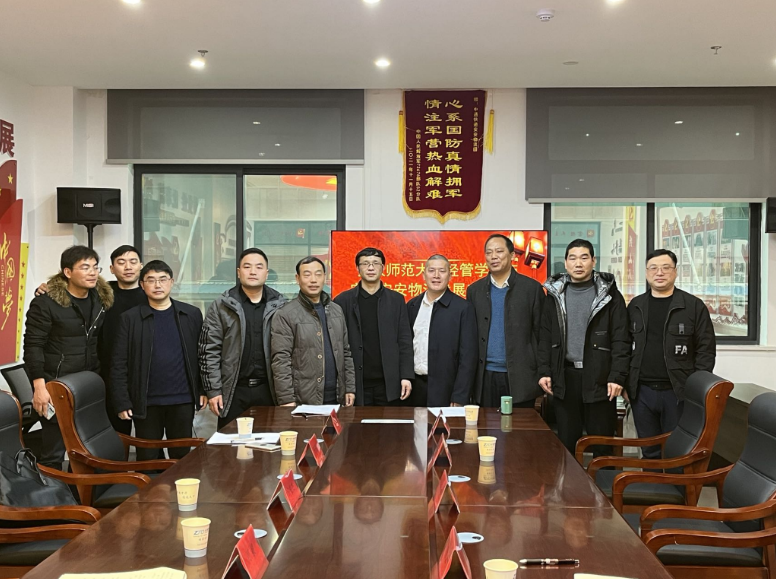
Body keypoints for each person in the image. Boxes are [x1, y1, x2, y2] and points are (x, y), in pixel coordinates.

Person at [23, 245, 113, 469]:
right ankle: (52, 490)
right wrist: (39, 387)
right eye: (85, 267)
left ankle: (79, 489)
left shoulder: (100, 299)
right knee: (54, 449)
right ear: (67, 272)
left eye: (95, 267)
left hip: (88, 383)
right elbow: (33, 346)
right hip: (56, 384)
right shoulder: (45, 303)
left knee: (85, 448)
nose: (92, 272)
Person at [538, 239, 630, 457]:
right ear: (565, 263)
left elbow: (621, 339)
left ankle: (601, 480)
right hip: (565, 376)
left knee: (601, 443)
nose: (578, 263)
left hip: (600, 378)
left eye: (584, 257)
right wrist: (544, 371)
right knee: (566, 443)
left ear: (593, 261)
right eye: (573, 258)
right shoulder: (554, 296)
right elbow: (544, 336)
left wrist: (617, 376)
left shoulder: (609, 295)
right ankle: (569, 481)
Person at [110, 260, 204, 460]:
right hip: (146, 402)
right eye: (151, 280)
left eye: (162, 279)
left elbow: (202, 355)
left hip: (183, 399)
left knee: (181, 458)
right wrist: (122, 401)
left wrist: (203, 390)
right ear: (142, 285)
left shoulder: (191, 314)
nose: (157, 285)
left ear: (172, 282)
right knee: (148, 458)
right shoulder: (130, 318)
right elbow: (119, 363)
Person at [627, 249, 716, 459]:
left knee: (677, 452)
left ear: (675, 272)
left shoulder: (693, 306)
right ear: (646, 272)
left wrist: (695, 388)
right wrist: (625, 383)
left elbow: (706, 350)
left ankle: (675, 482)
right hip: (641, 392)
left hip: (678, 392)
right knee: (649, 451)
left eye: (666, 268)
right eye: (653, 268)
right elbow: (623, 346)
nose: (659, 273)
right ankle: (651, 482)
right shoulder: (636, 306)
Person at [199, 248, 287, 430]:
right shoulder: (222, 305)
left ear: (266, 273)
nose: (253, 271)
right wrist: (213, 390)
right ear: (239, 272)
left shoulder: (281, 305)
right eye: (247, 267)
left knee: (269, 443)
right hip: (233, 390)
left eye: (259, 267)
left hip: (270, 390)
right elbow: (209, 350)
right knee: (230, 443)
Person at [467, 234, 545, 409]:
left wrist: (542, 372)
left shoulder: (531, 289)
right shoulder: (474, 291)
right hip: (484, 377)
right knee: (486, 425)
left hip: (521, 377)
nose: (493, 256)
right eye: (489, 253)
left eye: (499, 251)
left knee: (519, 426)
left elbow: (542, 335)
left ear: (512, 255)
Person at [333, 247, 413, 406]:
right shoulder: (342, 301)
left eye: (375, 263)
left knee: (389, 422)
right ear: (357, 268)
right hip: (356, 383)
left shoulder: (396, 300)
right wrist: (345, 384)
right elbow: (338, 344)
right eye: (365, 263)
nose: (371, 268)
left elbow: (404, 340)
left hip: (389, 383)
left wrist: (406, 376)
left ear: (383, 267)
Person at [271, 256, 355, 407]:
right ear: (297, 278)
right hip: (303, 399)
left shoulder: (336, 310)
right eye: (307, 275)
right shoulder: (285, 314)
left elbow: (346, 352)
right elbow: (281, 360)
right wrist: (286, 399)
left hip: (337, 396)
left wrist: (350, 388)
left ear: (325, 277)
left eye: (318, 274)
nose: (313, 280)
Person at [406, 254, 477, 407]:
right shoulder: (412, 306)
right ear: (423, 275)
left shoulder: (463, 308)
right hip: (414, 388)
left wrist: (460, 396)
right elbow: (405, 348)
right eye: (431, 270)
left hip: (446, 390)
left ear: (450, 276)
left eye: (442, 271)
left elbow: (468, 357)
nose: (436, 276)